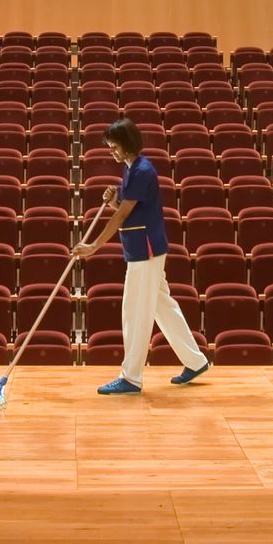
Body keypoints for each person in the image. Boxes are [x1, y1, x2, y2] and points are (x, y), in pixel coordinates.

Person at [73, 117, 211, 394]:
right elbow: (126, 209)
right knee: (162, 306)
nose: (111, 150)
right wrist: (113, 200)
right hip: (141, 248)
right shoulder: (131, 169)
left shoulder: (142, 171)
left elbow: (124, 214)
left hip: (145, 249)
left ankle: (131, 377)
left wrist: (93, 247)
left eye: (114, 146)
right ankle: (195, 360)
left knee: (135, 311)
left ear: (127, 144)